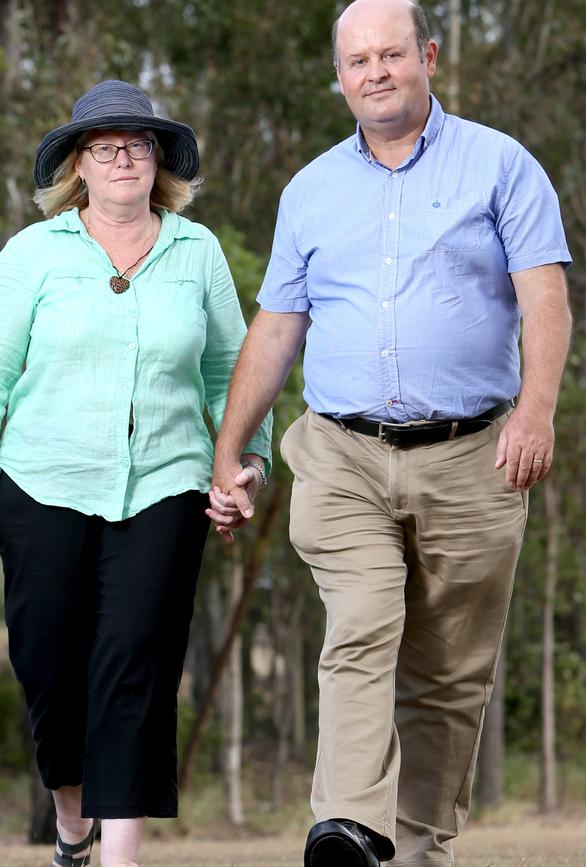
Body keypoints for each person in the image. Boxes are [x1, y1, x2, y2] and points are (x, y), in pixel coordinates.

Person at [207, 1, 572, 865]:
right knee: (362, 620)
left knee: (448, 676)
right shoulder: (311, 190)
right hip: (343, 453)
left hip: (474, 456)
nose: (374, 72)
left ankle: (414, 847)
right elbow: (276, 329)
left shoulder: (501, 165)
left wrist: (537, 408)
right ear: (338, 77)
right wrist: (230, 449)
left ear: (429, 56)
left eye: (391, 55)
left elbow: (545, 295)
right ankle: (347, 825)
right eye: (357, 61)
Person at [0, 79, 271, 867]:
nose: (123, 158)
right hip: (41, 483)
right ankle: (72, 826)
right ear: (78, 165)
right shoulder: (33, 253)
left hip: (166, 484)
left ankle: (118, 858)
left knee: (135, 665)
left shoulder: (199, 252)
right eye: (104, 146)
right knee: (49, 663)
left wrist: (245, 463)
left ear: (159, 161)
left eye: (138, 144)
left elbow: (233, 373)